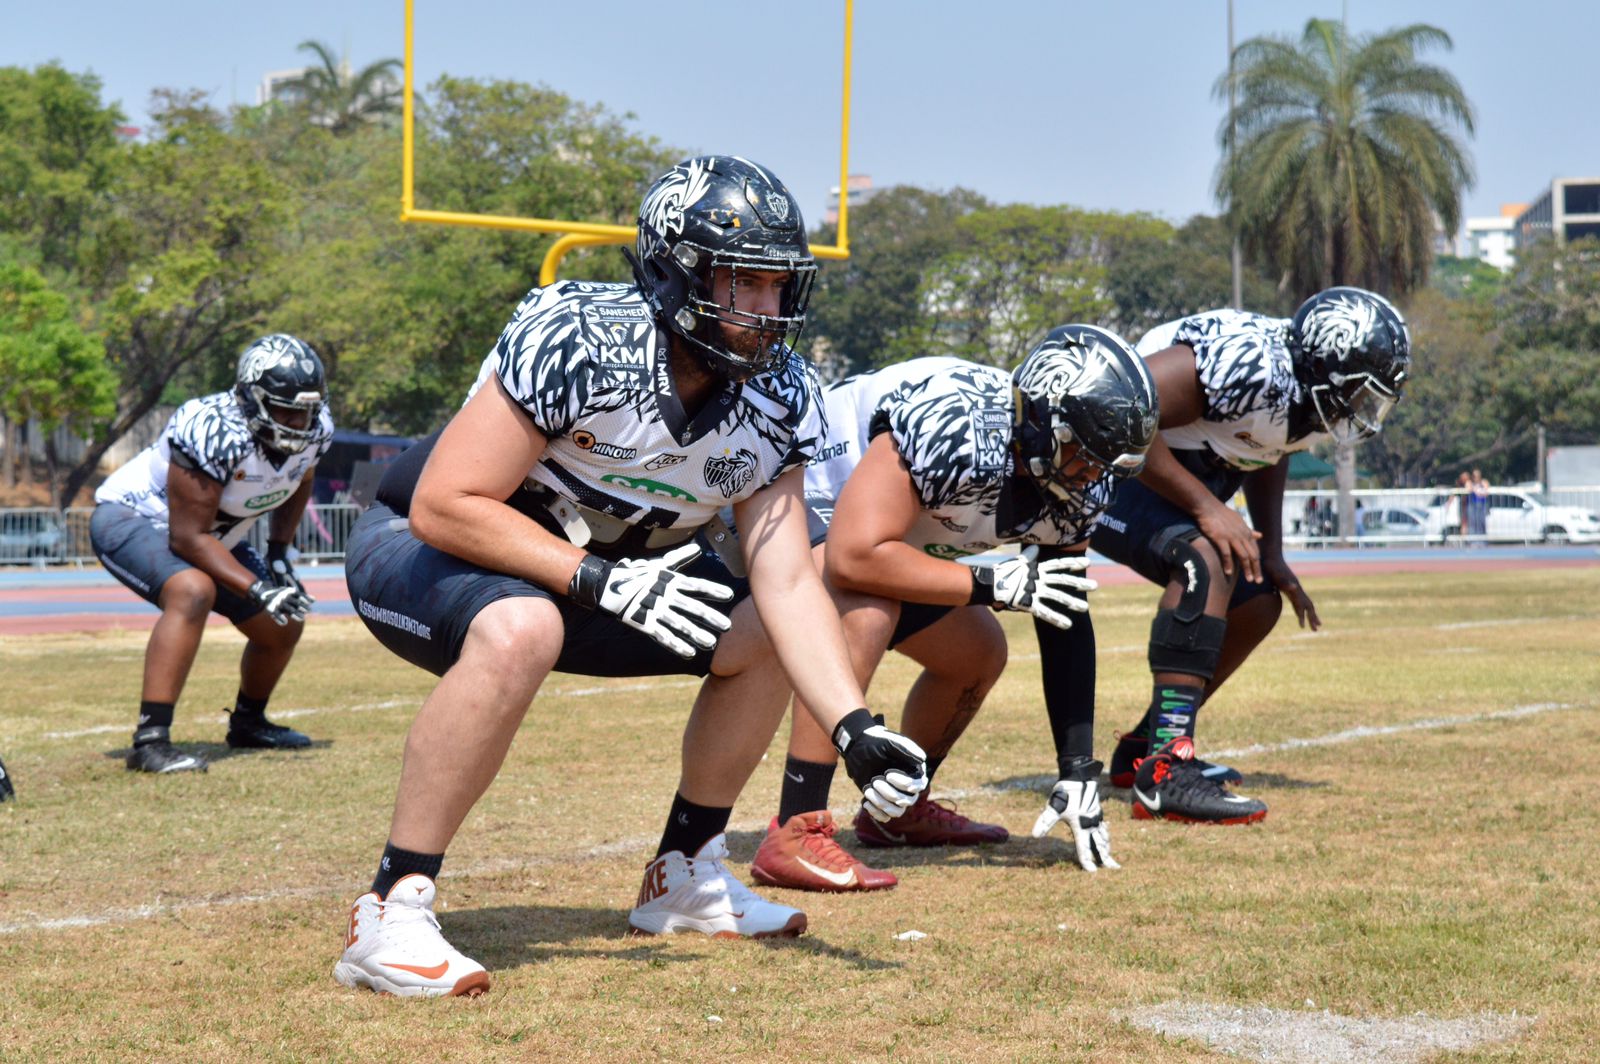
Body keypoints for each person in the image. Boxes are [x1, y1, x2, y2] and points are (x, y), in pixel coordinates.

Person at [333, 156, 930, 998]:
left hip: (594, 577)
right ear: (673, 270)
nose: (766, 311)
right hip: (427, 550)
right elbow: (445, 504)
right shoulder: (580, 335)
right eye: (743, 283)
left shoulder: (784, 393)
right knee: (523, 625)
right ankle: (391, 909)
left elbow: (790, 579)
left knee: (761, 630)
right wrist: (598, 579)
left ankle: (683, 874)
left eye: (776, 287)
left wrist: (854, 726)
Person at [746, 326, 1158, 892]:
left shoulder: (1081, 479)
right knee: (867, 608)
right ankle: (796, 826)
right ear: (1038, 417)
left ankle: (898, 812)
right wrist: (991, 583)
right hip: (808, 491)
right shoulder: (958, 423)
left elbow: (1063, 609)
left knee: (977, 653)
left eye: (1104, 462)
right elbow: (853, 557)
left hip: (890, 532)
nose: (1092, 476)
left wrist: (1077, 768)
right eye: (1083, 455)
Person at [1091, 286, 1410, 823]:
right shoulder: (1250, 363)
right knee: (1203, 559)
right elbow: (1115, 409)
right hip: (1103, 466)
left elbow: (1269, 449)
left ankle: (1145, 746)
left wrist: (1275, 549)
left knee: (1259, 598)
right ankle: (1168, 770)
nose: (1361, 408)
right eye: (1358, 392)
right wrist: (1208, 509)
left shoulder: (1303, 395)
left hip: (1168, 474)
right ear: (1325, 365)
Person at [91, 335, 332, 773]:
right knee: (192, 589)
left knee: (284, 622)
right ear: (252, 399)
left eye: (306, 409)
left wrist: (278, 552)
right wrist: (257, 586)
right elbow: (187, 538)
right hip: (135, 519)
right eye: (286, 409)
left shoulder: (316, 429)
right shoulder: (210, 426)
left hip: (212, 539)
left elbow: (303, 476)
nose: (299, 421)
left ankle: (249, 724)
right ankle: (150, 742)